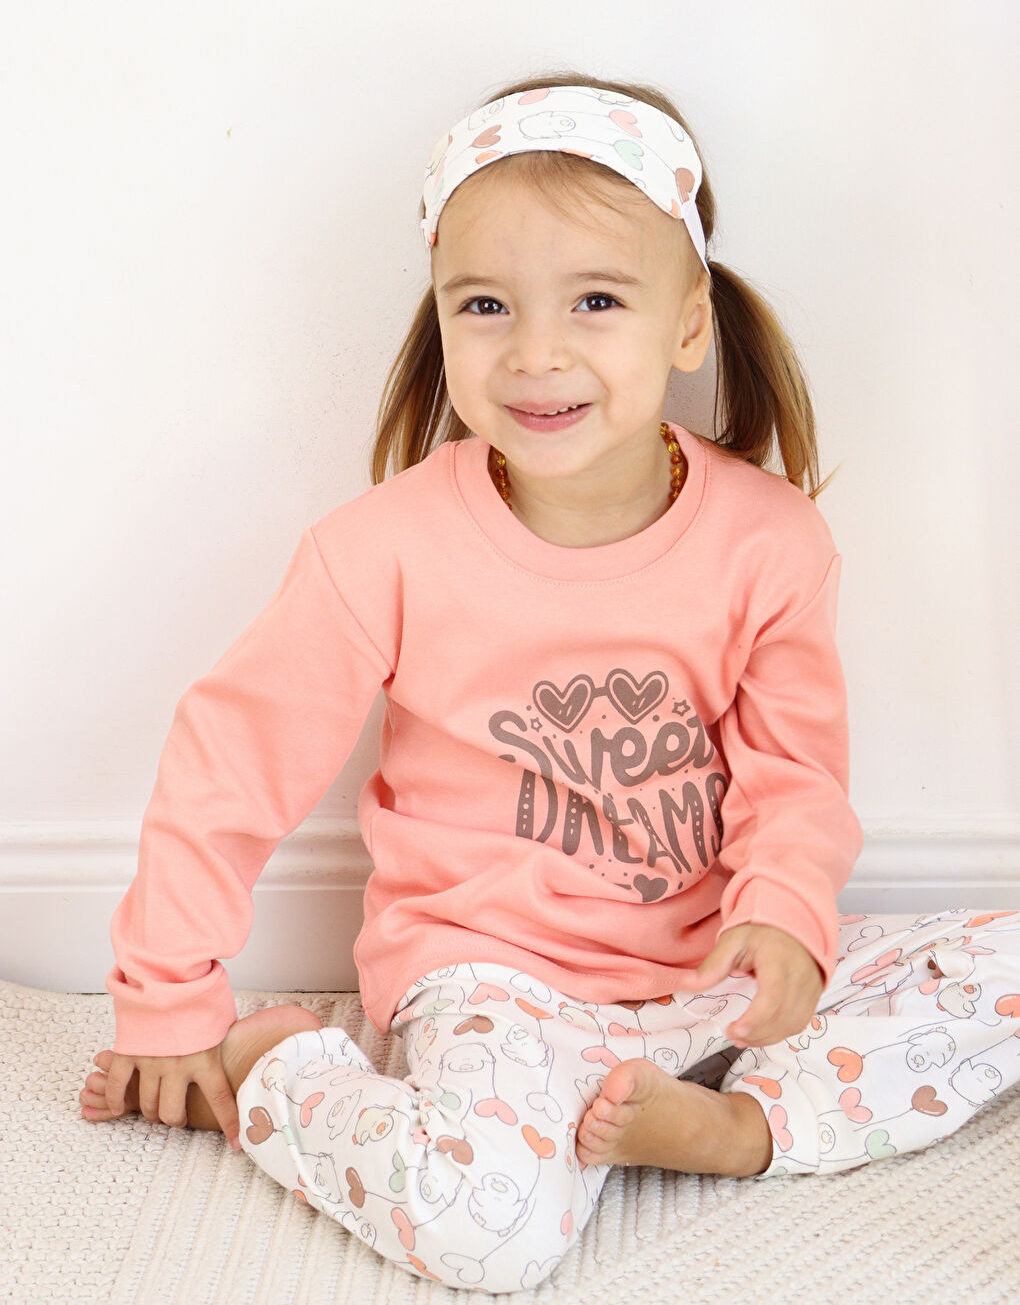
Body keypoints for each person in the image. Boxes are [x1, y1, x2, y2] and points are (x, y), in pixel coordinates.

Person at [79, 72, 1020, 1293]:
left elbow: (794, 775)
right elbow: (234, 760)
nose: (536, 352)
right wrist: (168, 997)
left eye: (596, 300)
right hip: (496, 983)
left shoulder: (769, 540)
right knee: (491, 1229)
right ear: (440, 319)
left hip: (706, 976)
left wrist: (784, 915)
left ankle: (745, 1127)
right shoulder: (383, 550)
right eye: (485, 305)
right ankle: (280, 1075)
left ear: (689, 325)